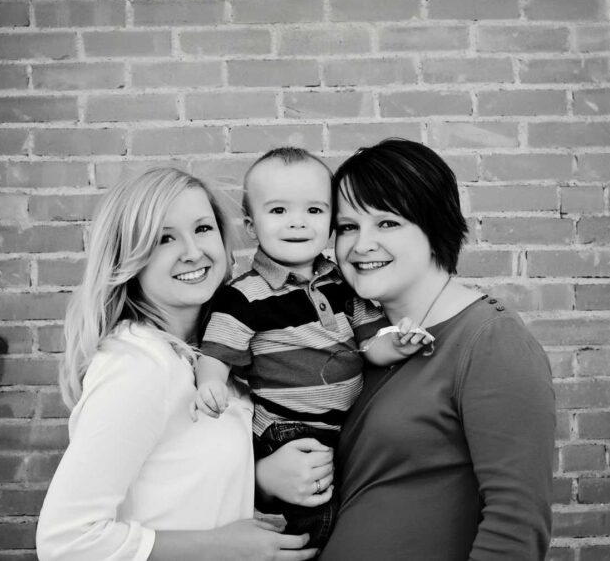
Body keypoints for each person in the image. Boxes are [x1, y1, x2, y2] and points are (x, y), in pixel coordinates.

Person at [35, 167, 323, 561]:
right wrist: (227, 548)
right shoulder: (137, 365)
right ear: (128, 256)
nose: (192, 251)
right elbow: (67, 541)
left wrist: (263, 478)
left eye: (203, 229)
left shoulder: (213, 354)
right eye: (164, 238)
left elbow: (183, 475)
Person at [319, 138, 556, 561]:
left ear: (433, 228)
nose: (360, 245)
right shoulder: (357, 341)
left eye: (387, 223)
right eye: (348, 226)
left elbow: (516, 523)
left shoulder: (489, 341)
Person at [193, 148, 431, 548]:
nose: (298, 222)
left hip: (339, 430)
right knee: (311, 520)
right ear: (252, 225)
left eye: (315, 211)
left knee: (344, 511)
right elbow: (216, 353)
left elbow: (372, 345)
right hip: (286, 429)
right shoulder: (245, 296)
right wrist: (210, 383)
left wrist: (400, 344)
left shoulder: (341, 283)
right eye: (279, 211)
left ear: (332, 223)